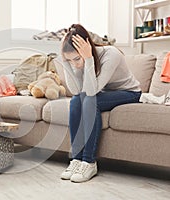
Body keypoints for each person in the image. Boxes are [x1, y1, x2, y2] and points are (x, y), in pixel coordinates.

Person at [58, 24, 141, 182]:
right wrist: (66, 62)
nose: (75, 63)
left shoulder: (111, 54)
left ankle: (89, 162)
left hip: (129, 92)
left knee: (90, 101)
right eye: (70, 60)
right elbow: (77, 91)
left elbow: (90, 92)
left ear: (88, 47)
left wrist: (88, 59)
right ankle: (76, 159)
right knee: (76, 101)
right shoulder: (75, 61)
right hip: (105, 93)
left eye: (76, 59)